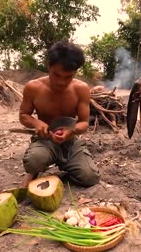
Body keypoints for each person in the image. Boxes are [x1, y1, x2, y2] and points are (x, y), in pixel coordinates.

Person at [19, 40, 100, 188]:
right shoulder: (33, 88)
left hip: (70, 141)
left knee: (90, 177)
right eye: (56, 75)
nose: (61, 82)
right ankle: (35, 170)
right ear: (48, 65)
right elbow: (24, 115)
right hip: (45, 140)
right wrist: (37, 123)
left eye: (68, 76)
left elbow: (84, 123)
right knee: (33, 162)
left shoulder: (81, 89)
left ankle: (65, 169)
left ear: (75, 72)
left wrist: (72, 131)